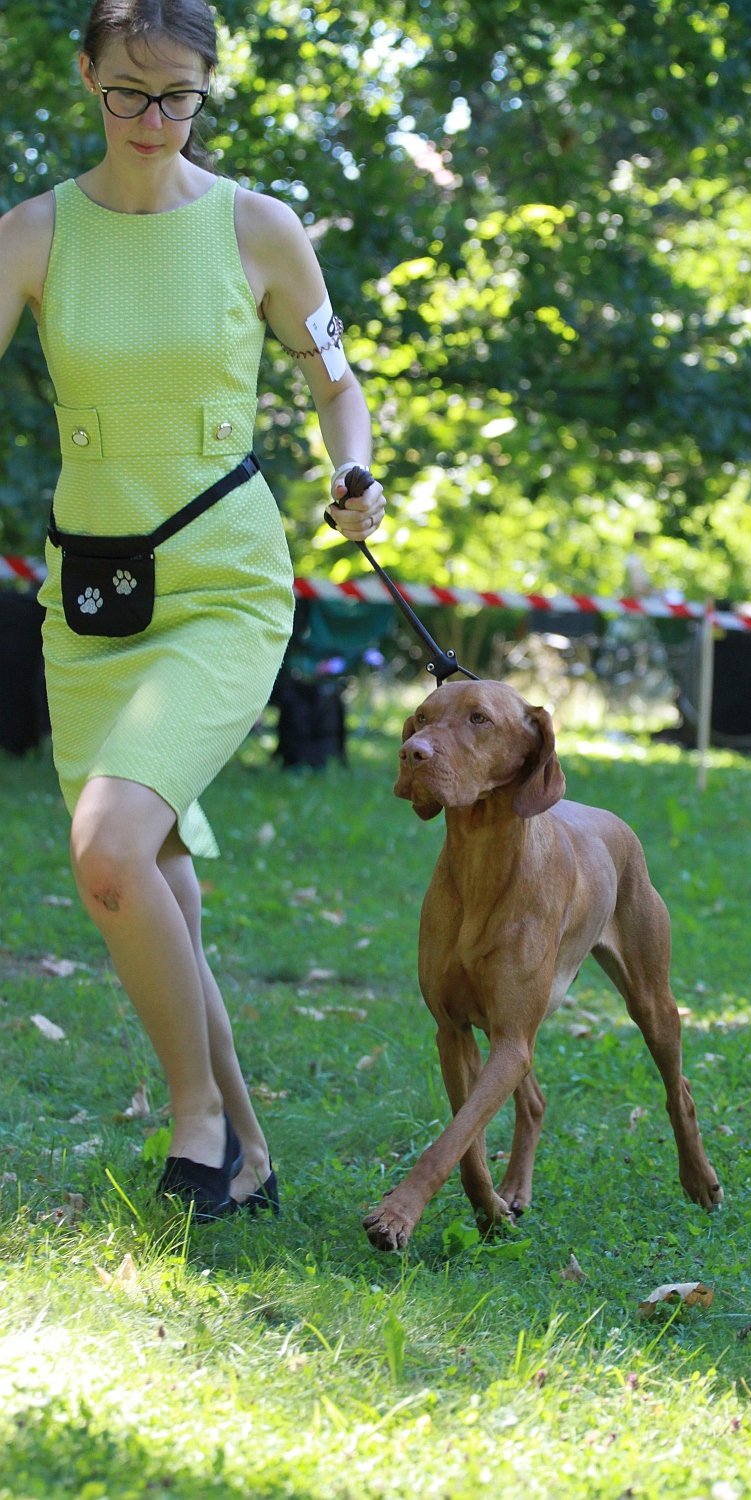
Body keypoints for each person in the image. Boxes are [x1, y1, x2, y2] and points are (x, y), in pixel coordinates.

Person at [0, 0, 386, 1219]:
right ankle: (251, 1155)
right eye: (129, 91)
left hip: (222, 584)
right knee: (152, 871)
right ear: (87, 76)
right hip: (93, 602)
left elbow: (337, 381)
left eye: (178, 96)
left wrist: (354, 468)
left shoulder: (257, 227)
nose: (153, 119)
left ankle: (197, 1125)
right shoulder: (33, 233)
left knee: (111, 849)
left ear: (207, 91)